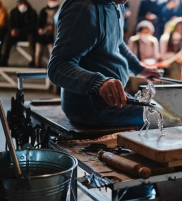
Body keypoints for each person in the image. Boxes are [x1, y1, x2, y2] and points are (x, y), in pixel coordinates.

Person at [47, 0, 160, 199]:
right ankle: (137, 193)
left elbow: (117, 43)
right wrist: (98, 83)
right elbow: (57, 66)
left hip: (109, 100)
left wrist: (138, 67)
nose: (126, 1)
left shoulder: (114, 3)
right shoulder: (82, 9)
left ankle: (138, 189)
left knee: (161, 114)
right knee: (163, 119)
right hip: (89, 105)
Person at [0, 0, 37, 67]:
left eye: (23, 3)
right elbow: (10, 23)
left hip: (27, 33)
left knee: (32, 37)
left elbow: (33, 26)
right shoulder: (13, 12)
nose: (22, 5)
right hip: (15, 33)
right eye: (20, 3)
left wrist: (20, 31)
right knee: (8, 36)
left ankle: (34, 59)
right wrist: (12, 30)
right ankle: (3, 59)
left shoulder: (32, 13)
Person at [35, 0, 60, 68]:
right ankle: (37, 62)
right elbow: (39, 22)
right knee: (39, 47)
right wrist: (40, 29)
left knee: (52, 49)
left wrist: (53, 28)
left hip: (53, 36)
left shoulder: (60, 10)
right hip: (43, 35)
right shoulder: (43, 11)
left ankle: (53, 64)